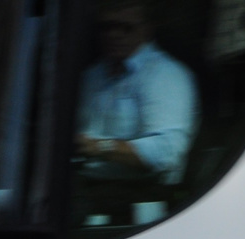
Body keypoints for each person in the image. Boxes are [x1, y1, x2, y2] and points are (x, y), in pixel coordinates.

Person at [74, 1, 199, 220]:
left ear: (146, 29)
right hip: (85, 196)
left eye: (125, 27)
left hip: (141, 206)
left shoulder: (165, 75)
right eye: (107, 27)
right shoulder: (91, 77)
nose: (114, 34)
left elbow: (166, 152)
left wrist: (98, 147)